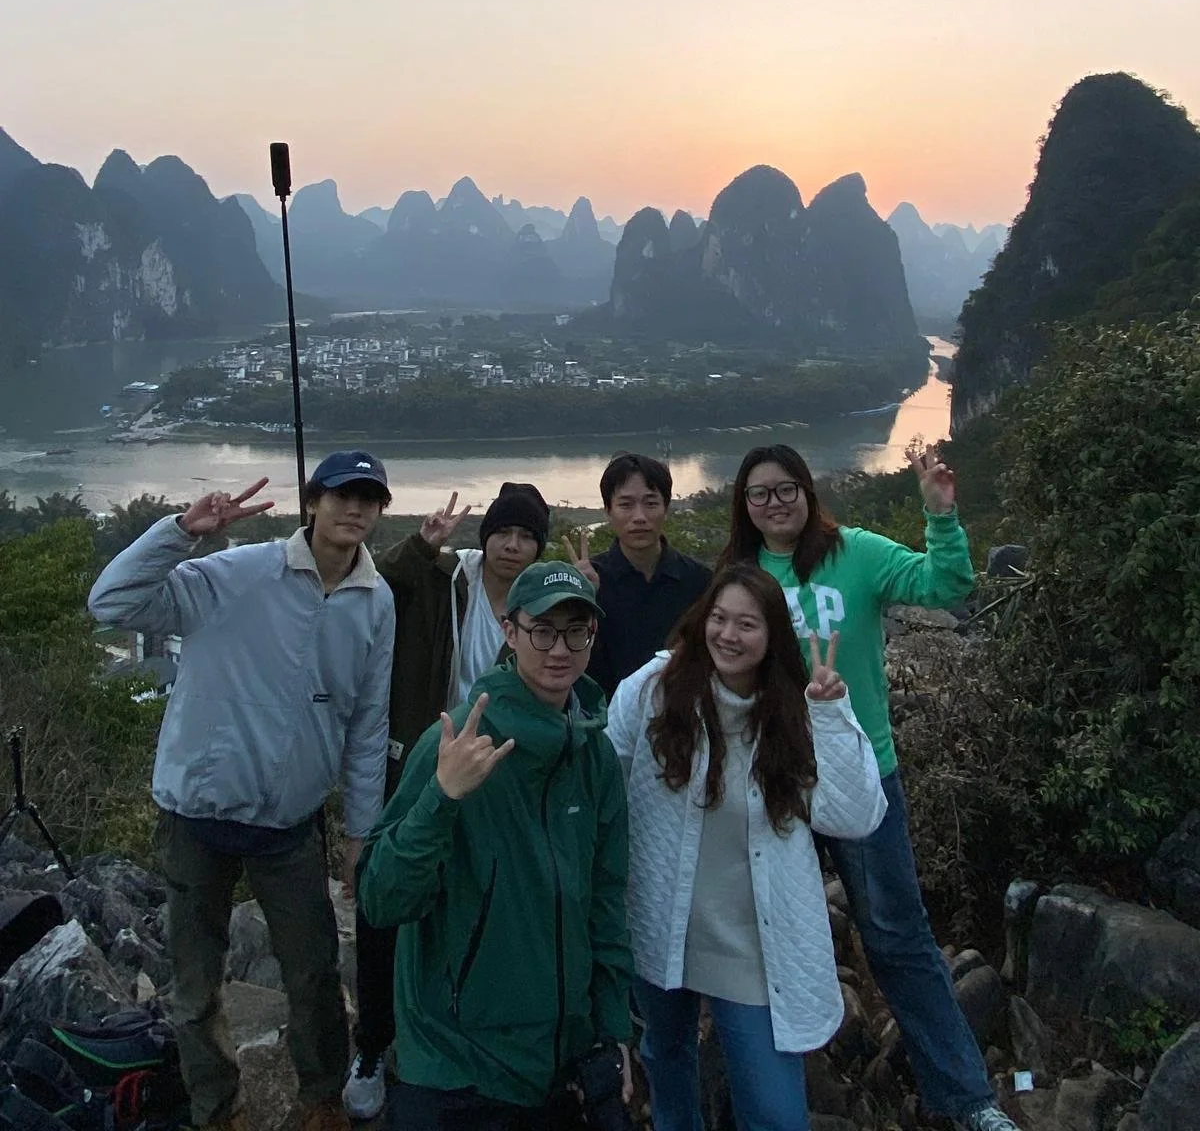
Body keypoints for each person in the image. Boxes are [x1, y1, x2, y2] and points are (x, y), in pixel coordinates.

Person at [87, 452, 396, 1131]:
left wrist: (359, 833)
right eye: (342, 495)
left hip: (290, 823)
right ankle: (215, 1109)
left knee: (313, 975)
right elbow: (112, 601)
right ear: (312, 502)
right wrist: (182, 531)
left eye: (369, 499)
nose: (355, 509)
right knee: (196, 987)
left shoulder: (376, 602)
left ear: (380, 512)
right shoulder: (238, 573)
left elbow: (369, 726)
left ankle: (320, 1100)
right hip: (196, 814)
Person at [720, 442, 1017, 1131]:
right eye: (760, 493)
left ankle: (967, 1098)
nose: (775, 502)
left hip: (860, 773)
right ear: (745, 504)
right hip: (772, 782)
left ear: (807, 491)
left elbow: (945, 588)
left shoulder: (856, 553)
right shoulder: (739, 573)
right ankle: (777, 1100)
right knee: (766, 937)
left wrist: (940, 515)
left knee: (898, 937)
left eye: (786, 488)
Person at [606, 564, 885, 1131]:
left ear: (772, 636)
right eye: (718, 618)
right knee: (667, 1062)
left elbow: (855, 817)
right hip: (663, 923)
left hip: (753, 942)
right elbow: (610, 779)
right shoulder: (654, 692)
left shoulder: (793, 713)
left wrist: (832, 714)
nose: (728, 635)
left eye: (747, 625)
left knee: (776, 1113)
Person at [357, 560, 634, 1131]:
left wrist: (614, 1033)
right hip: (455, 1066)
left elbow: (604, 903)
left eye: (576, 631)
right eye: (543, 631)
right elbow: (382, 899)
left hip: (559, 1063)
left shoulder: (594, 755)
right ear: (510, 632)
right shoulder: (456, 742)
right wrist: (442, 795)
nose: (559, 649)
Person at [343, 482, 550, 1120]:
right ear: (485, 535)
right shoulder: (450, 577)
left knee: (473, 904)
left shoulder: (540, 602)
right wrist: (423, 543)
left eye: (526, 537)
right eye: (503, 533)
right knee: (386, 902)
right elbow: (386, 581)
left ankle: (463, 1039)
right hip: (422, 761)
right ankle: (374, 1044)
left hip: (499, 777)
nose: (512, 547)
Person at [564, 453, 711, 701]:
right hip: (605, 721)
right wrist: (582, 601)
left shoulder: (700, 581)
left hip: (681, 718)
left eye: (651, 503)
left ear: (666, 508)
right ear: (608, 511)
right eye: (626, 505)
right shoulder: (589, 580)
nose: (639, 517)